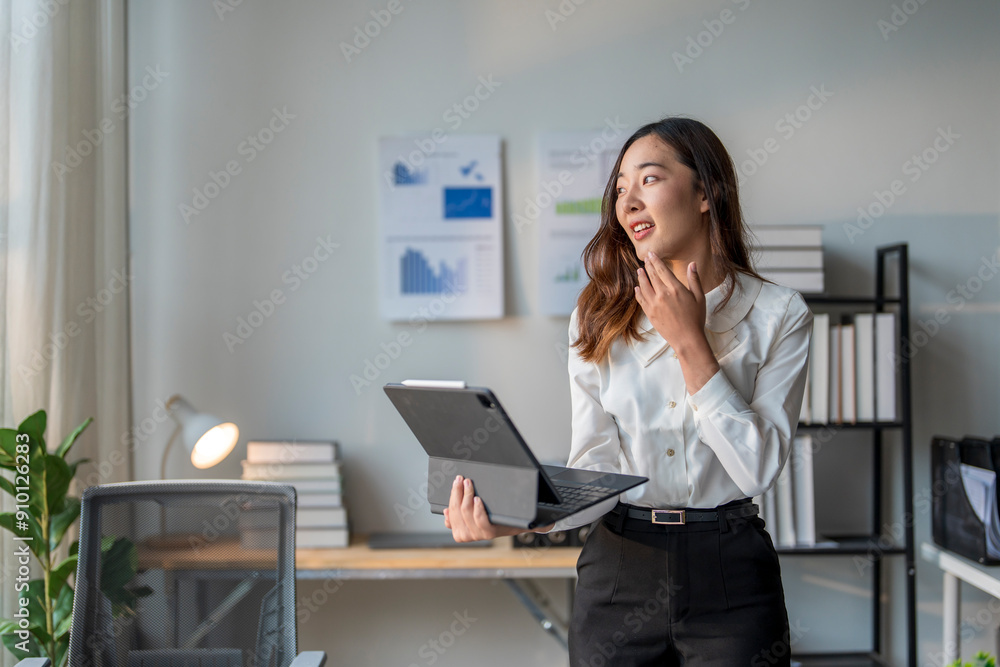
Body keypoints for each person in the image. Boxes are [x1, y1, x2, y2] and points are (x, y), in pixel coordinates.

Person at [445, 117, 812, 667]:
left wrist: (690, 340)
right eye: (620, 188)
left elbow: (757, 469)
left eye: (649, 179)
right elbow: (596, 466)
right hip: (617, 569)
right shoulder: (596, 314)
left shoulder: (780, 314)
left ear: (707, 192)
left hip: (731, 574)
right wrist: (524, 515)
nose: (628, 201)